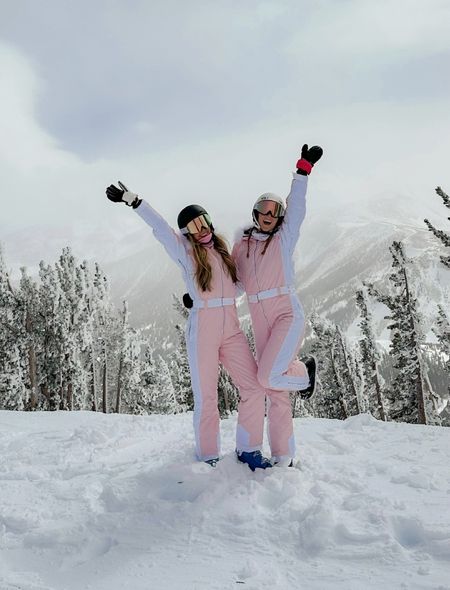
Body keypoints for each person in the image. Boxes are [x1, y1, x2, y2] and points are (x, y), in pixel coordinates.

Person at [105, 183, 272, 471]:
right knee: (207, 396)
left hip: (231, 329)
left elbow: (238, 287)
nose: (201, 228)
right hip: (203, 333)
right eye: (194, 226)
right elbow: (161, 229)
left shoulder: (223, 253)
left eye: (203, 221)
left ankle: (249, 449)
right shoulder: (185, 253)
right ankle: (208, 456)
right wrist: (135, 202)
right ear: (187, 233)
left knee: (254, 387)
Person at [232, 144, 323, 467]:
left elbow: (297, 209)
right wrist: (199, 295)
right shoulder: (241, 246)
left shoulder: (284, 240)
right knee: (273, 391)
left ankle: (307, 375)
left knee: (269, 377)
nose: (269, 215)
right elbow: (235, 283)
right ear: (255, 213)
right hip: (260, 321)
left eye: (275, 212)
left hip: (286, 314)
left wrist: (302, 172)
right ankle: (284, 455)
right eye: (264, 210)